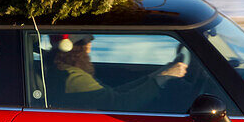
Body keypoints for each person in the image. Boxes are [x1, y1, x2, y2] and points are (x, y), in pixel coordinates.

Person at [50, 34, 188, 111]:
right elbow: (119, 104)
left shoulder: (67, 71)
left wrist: (157, 75)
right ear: (72, 48)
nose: (89, 49)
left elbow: (114, 94)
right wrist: (161, 80)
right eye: (85, 43)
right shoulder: (71, 77)